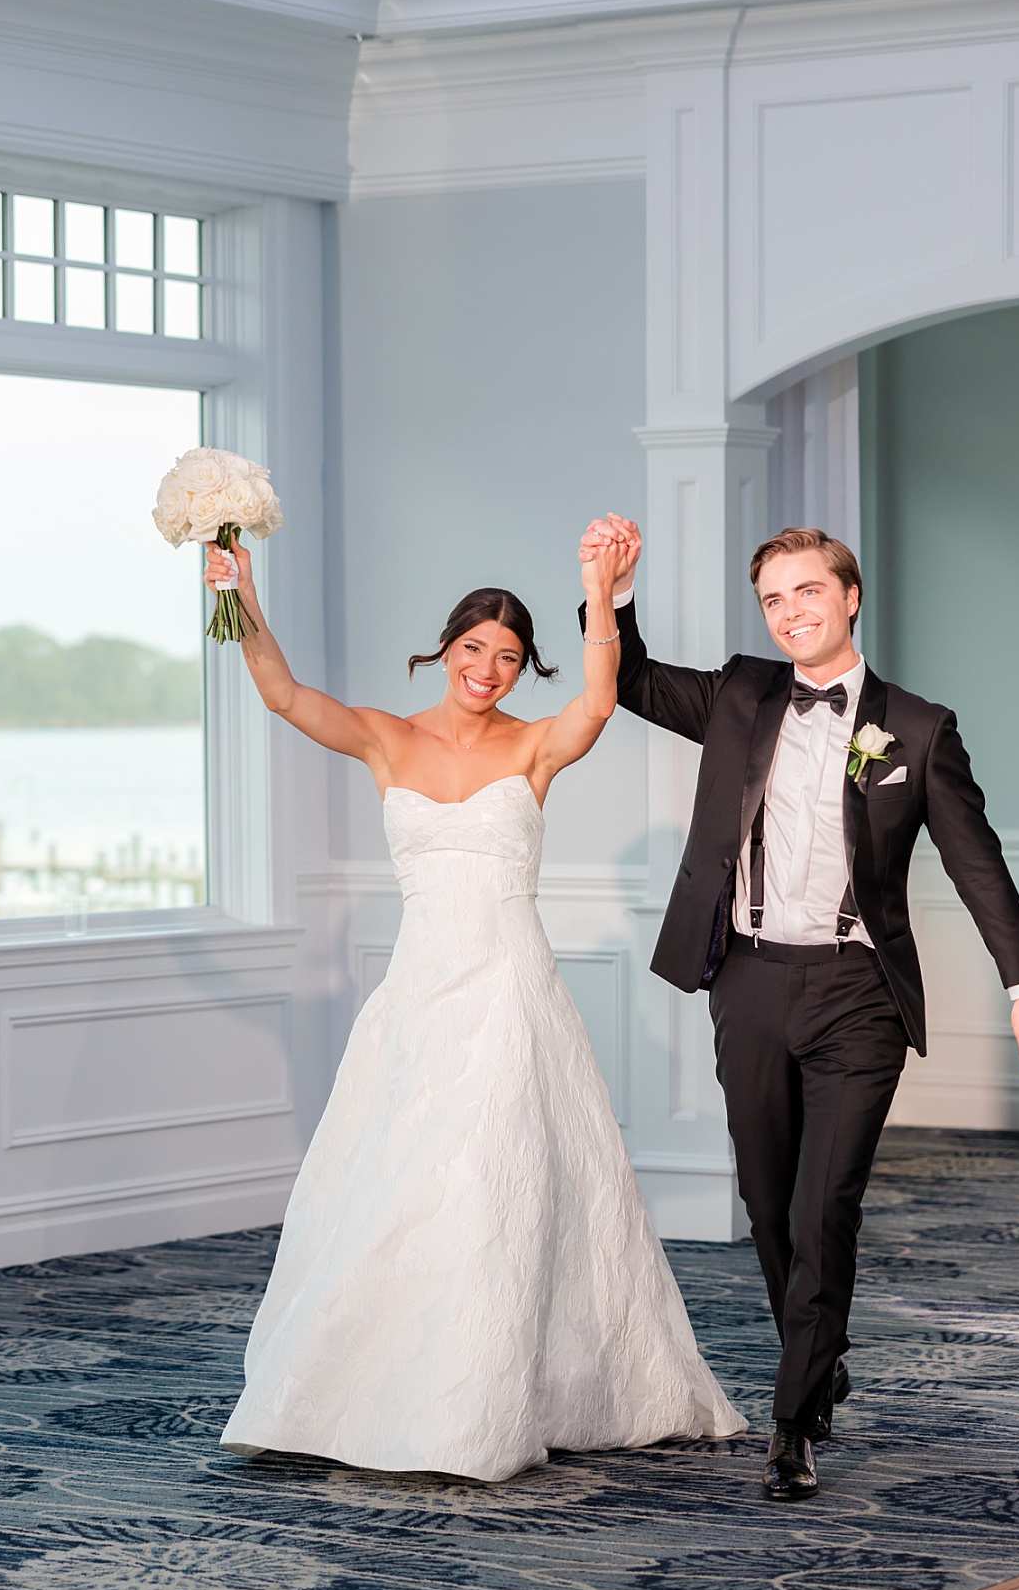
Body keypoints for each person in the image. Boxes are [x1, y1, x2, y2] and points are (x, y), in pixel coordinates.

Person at [205, 530, 744, 1484]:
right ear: (444, 649)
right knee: (399, 1183)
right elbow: (283, 696)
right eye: (473, 651)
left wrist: (600, 595)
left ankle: (494, 1399)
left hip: (507, 988)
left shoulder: (536, 747)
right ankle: (375, 1390)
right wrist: (242, 594)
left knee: (497, 1180)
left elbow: (599, 700)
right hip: (419, 990)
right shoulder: (387, 735)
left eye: (507, 658)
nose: (488, 671)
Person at [578, 517, 1019, 1503]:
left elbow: (976, 863)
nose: (790, 611)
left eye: (807, 590)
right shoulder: (740, 693)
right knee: (764, 1202)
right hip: (747, 978)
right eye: (773, 598)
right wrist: (608, 592)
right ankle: (816, 1346)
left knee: (820, 1202)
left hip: (857, 994)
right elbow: (626, 681)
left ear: (848, 596)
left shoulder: (914, 727)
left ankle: (793, 1419)